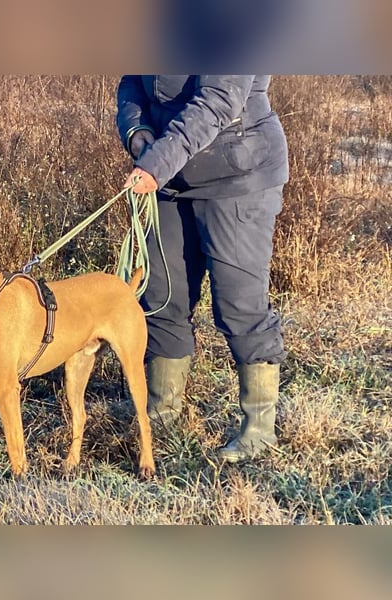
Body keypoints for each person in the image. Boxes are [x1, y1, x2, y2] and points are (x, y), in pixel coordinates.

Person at [116, 75, 289, 462]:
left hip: (238, 174)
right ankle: (161, 420)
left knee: (239, 305)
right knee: (161, 300)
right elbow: (131, 81)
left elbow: (219, 100)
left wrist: (156, 163)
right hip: (168, 179)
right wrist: (137, 131)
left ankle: (258, 431)